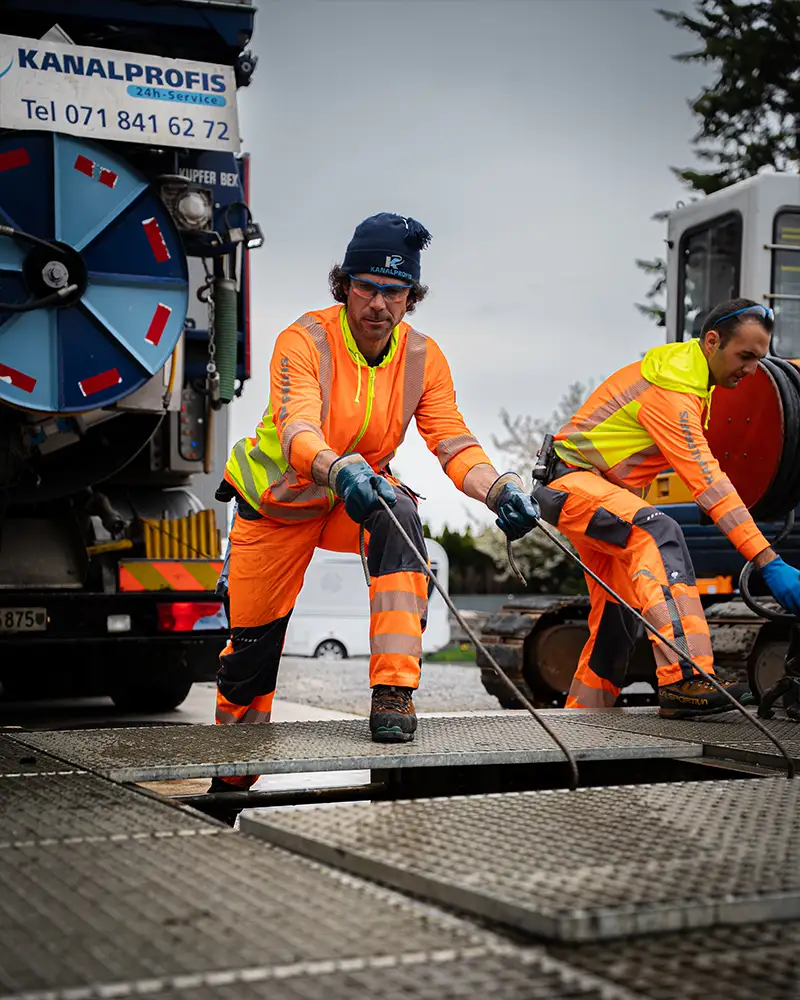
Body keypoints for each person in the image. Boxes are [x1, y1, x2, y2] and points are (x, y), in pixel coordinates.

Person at [211, 212, 539, 791]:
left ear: (411, 297)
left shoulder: (423, 357)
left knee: (402, 517)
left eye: (395, 290)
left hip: (356, 500)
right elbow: (296, 430)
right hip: (278, 505)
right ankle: (229, 783)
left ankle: (393, 694)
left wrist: (499, 489)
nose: (379, 304)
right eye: (366, 286)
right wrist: (338, 468)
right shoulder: (304, 339)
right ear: (344, 286)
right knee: (249, 659)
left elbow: (453, 440)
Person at [532, 298, 800, 718]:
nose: (752, 370)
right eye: (745, 356)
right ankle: (683, 678)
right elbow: (709, 486)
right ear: (712, 342)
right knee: (658, 532)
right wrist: (768, 560)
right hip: (574, 484)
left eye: (760, 358)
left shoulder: (690, 376)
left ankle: (581, 719)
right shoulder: (674, 393)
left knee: (616, 617)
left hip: (585, 490)